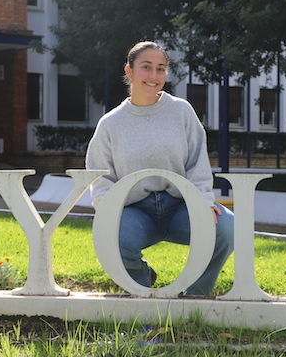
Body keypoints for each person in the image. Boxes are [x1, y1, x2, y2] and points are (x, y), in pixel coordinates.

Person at [85, 41, 234, 296]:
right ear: (129, 71)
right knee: (112, 238)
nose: (154, 76)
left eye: (160, 68)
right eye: (146, 67)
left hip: (180, 206)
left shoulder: (181, 111)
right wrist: (109, 210)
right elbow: (99, 178)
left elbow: (197, 163)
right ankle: (142, 287)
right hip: (135, 212)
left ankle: (196, 295)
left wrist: (204, 203)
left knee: (226, 228)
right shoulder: (111, 124)